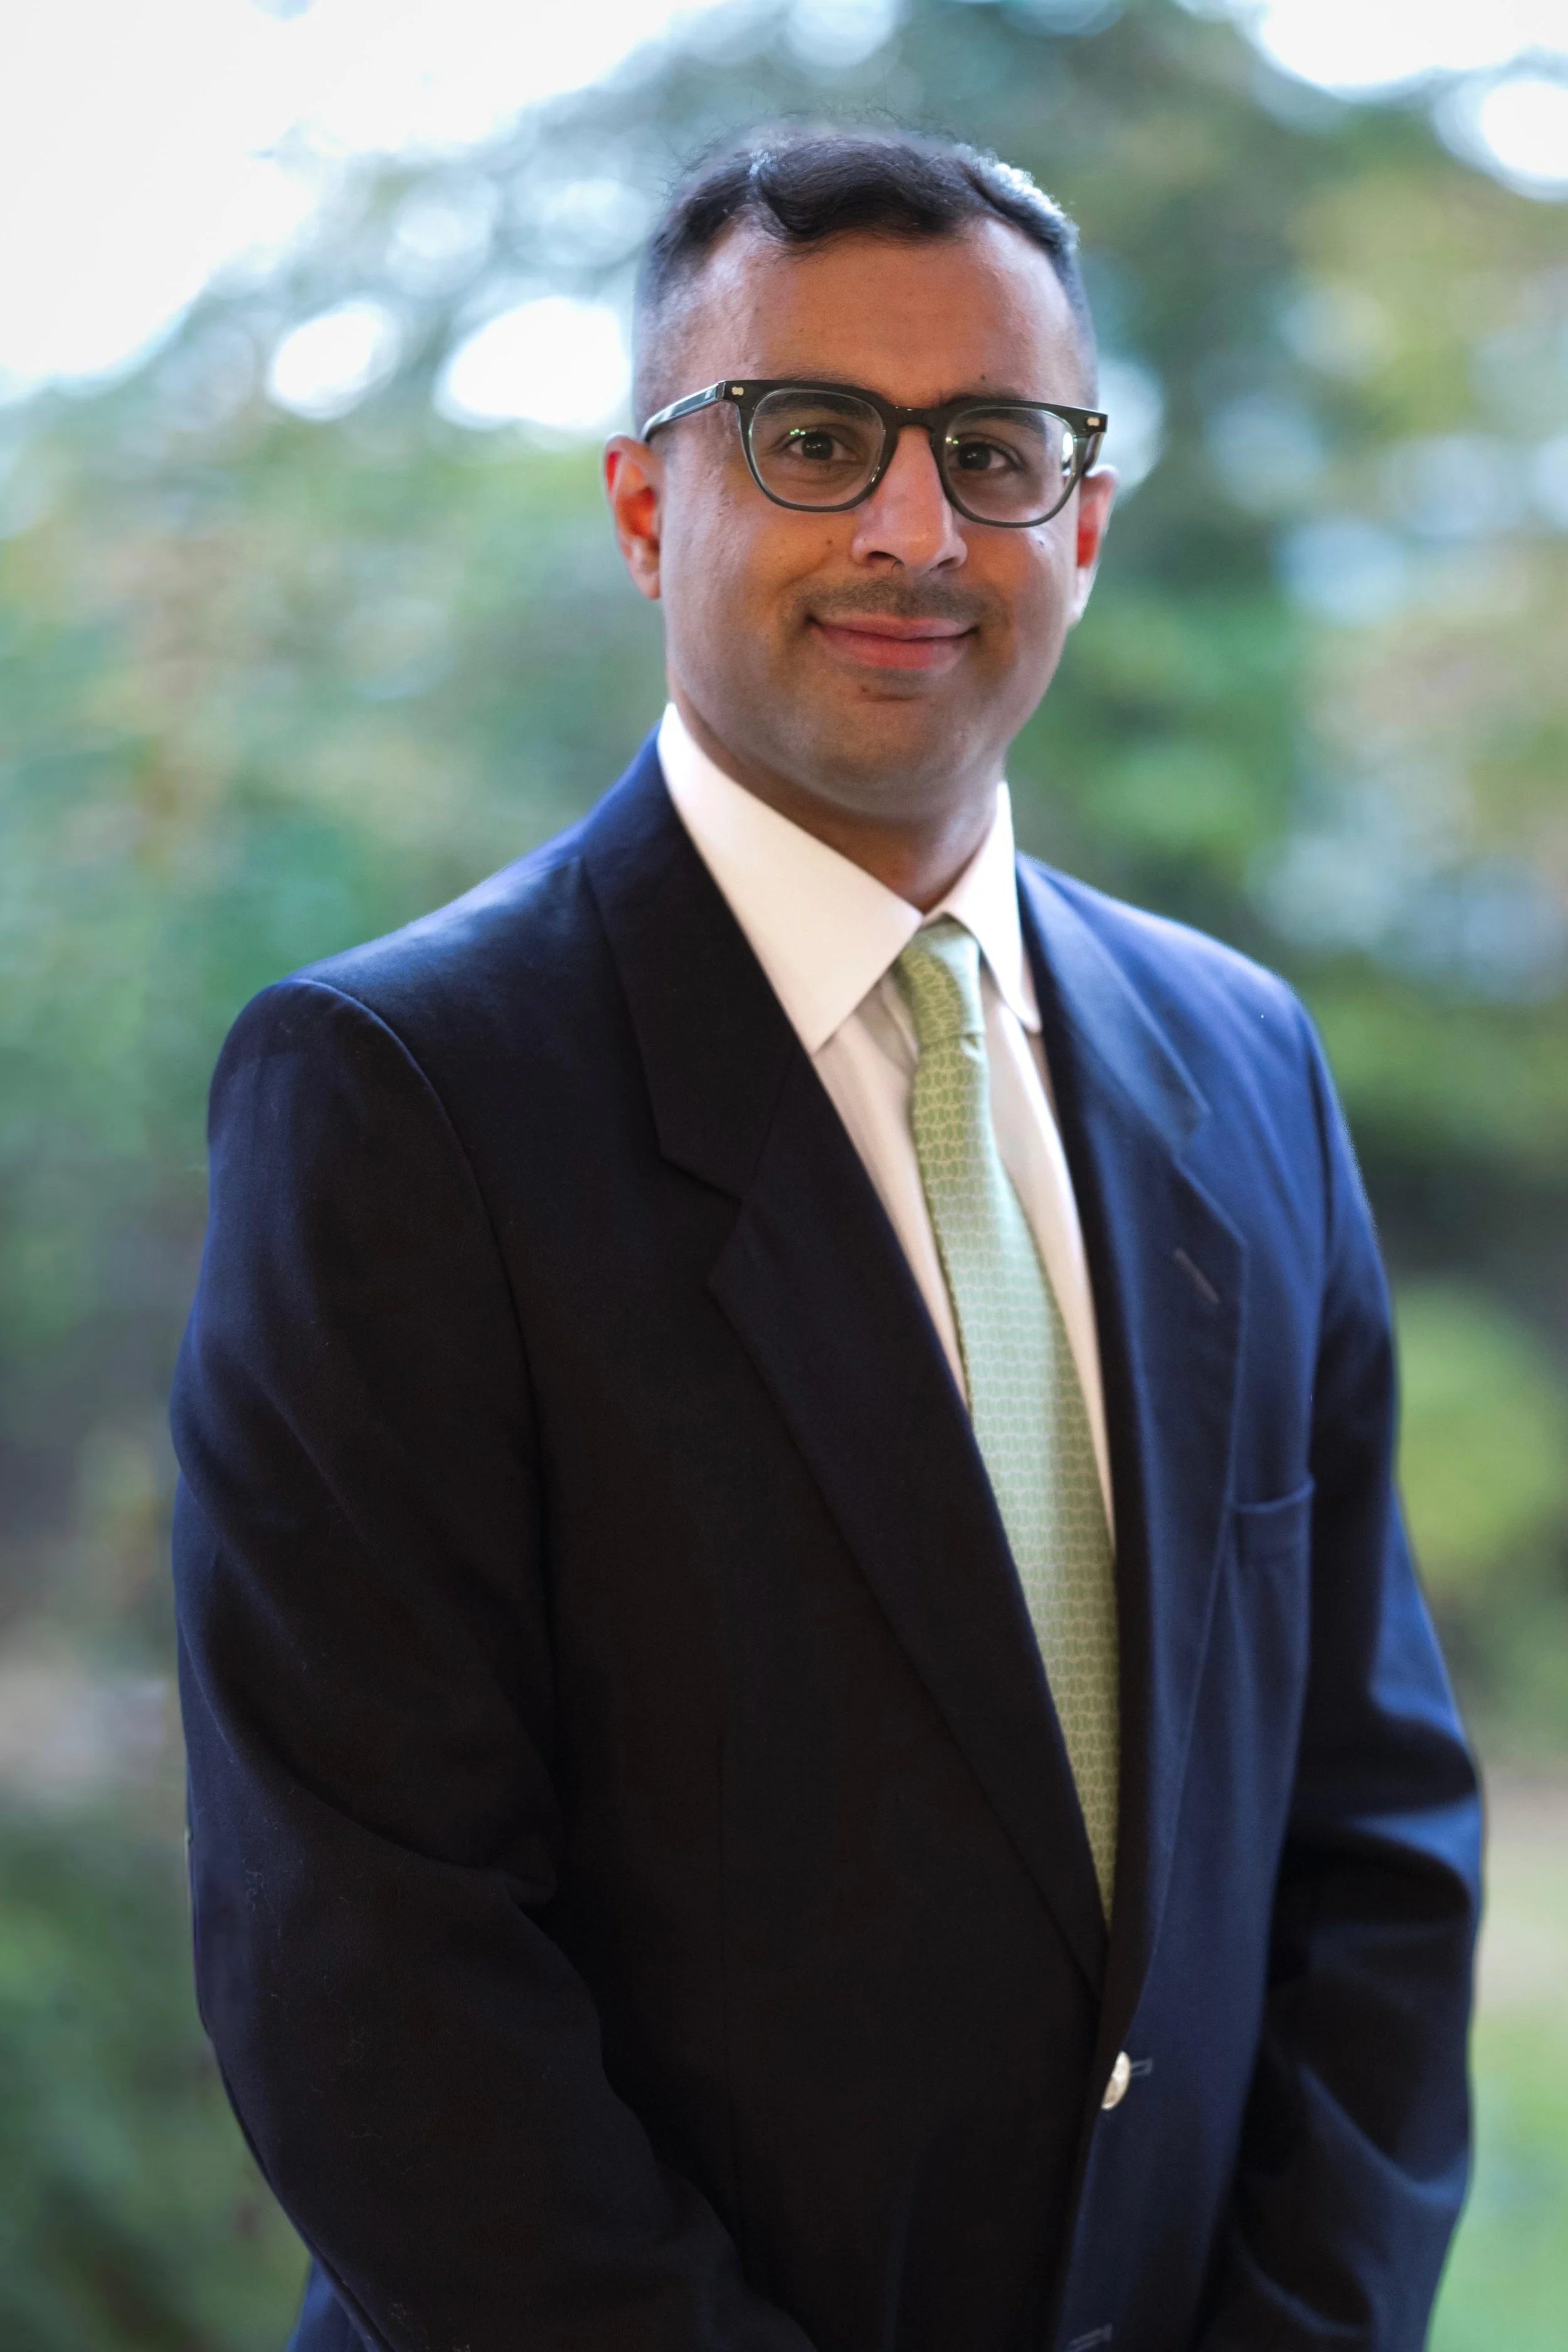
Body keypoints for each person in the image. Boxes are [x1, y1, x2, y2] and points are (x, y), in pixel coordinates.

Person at [172, 130, 1481, 2352]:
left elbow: (1373, 1838)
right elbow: (373, 1970)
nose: (912, 525)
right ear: (641, 502)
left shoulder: (1243, 1059)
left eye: (992, 447)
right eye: (810, 437)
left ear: (1079, 515)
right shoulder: (398, 1098)